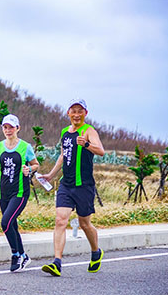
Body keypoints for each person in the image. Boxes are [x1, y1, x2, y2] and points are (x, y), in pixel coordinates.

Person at [39, 98, 105, 277]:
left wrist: (86, 144)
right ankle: (57, 262)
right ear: (68, 113)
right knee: (60, 220)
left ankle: (96, 252)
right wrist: (51, 175)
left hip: (84, 185)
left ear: (85, 113)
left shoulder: (88, 130)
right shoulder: (64, 132)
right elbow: (63, 156)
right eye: (73, 111)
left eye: (80, 111)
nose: (76, 114)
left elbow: (101, 150)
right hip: (66, 185)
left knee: (84, 223)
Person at [0, 114, 40, 272]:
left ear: (18, 128)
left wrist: (29, 169)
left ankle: (16, 254)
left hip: (20, 192)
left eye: (11, 127)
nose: (8, 130)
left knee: (5, 222)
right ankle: (24, 255)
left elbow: (36, 164)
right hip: (3, 192)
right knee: (12, 225)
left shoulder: (25, 147)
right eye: (5, 127)